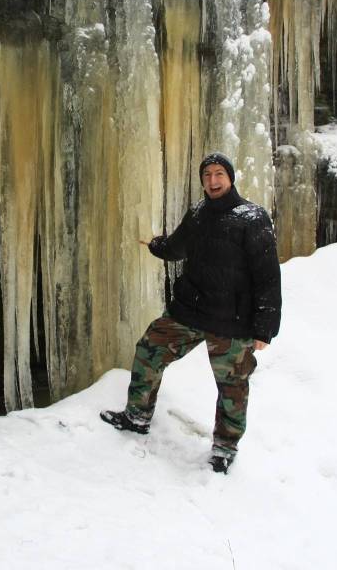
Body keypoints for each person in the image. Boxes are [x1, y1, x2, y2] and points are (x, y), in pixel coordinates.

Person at [100, 152, 282, 473]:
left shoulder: (252, 218)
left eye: (218, 174)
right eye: (207, 176)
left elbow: (267, 276)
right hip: (190, 313)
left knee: (232, 388)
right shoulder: (199, 213)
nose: (213, 181)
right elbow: (177, 247)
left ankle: (225, 447)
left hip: (232, 321)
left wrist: (264, 328)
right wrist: (158, 245)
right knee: (149, 350)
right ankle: (137, 416)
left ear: (230, 177)